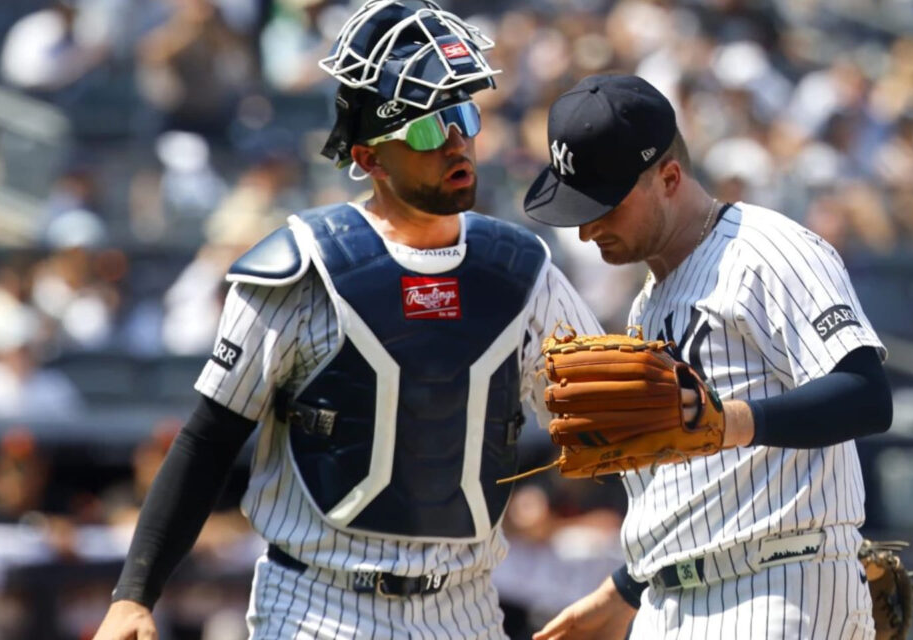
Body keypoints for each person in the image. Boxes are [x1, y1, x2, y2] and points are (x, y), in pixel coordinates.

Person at [93, 2, 602, 638]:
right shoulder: (304, 265)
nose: (454, 141)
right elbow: (209, 439)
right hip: (320, 606)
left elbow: (609, 419)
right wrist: (134, 594)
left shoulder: (522, 269)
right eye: (423, 130)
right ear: (370, 156)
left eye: (463, 117)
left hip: (465, 605)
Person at [522, 74, 893, 639]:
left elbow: (867, 395)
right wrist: (625, 590)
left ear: (669, 177)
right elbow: (699, 486)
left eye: (603, 205)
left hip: (776, 584)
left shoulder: (765, 252)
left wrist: (731, 422)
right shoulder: (649, 304)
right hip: (672, 597)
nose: (587, 227)